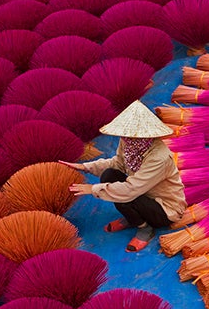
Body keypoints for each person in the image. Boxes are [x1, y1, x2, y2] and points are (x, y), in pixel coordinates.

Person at [61, 99, 186, 252]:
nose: (127, 139)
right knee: (109, 175)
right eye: (126, 135)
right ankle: (133, 219)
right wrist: (85, 167)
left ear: (146, 135)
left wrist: (93, 189)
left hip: (163, 209)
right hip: (141, 194)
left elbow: (131, 189)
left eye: (132, 136)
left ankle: (145, 228)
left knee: (123, 193)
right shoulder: (128, 142)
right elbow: (118, 163)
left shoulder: (159, 157)